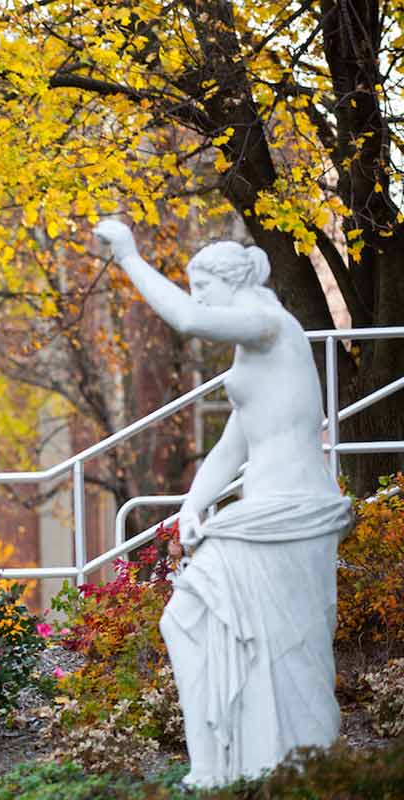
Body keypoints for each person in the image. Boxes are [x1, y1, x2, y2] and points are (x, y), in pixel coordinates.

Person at [94, 219, 352, 787]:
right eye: (197, 291)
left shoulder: (270, 326)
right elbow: (235, 442)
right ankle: (222, 763)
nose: (200, 300)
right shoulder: (252, 355)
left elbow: (186, 319)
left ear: (230, 285)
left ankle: (294, 765)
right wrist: (193, 504)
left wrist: (130, 258)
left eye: (205, 289)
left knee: (286, 647)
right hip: (261, 514)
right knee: (188, 620)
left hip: (292, 511)